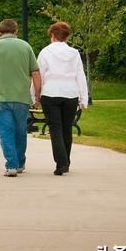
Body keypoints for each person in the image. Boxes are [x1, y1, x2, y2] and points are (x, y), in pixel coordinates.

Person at [0, 19, 41, 177]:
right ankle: (20, 163)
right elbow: (35, 72)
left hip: (1, 97)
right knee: (20, 131)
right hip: (22, 97)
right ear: (16, 31)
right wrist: (37, 95)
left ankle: (12, 165)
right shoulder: (25, 46)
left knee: (6, 132)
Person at [37, 21, 88, 176]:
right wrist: (83, 98)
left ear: (52, 35)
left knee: (55, 128)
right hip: (70, 94)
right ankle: (66, 161)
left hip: (50, 93)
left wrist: (34, 95)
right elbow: (80, 75)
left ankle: (61, 162)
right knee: (66, 128)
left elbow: (39, 75)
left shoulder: (45, 52)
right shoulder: (74, 53)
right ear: (66, 36)